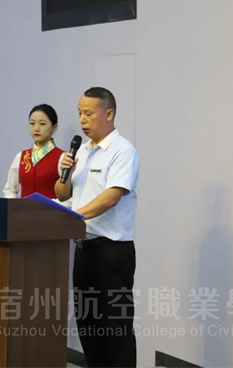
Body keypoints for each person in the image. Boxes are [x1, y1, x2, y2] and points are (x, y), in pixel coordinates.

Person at [55, 87, 140, 367]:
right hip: (84, 251)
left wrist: (73, 217)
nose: (82, 119)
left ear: (109, 113)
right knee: (88, 327)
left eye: (89, 113)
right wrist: (65, 173)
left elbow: (112, 196)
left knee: (115, 329)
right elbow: (62, 194)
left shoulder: (122, 151)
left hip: (112, 253)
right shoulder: (82, 151)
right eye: (79, 113)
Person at [3, 104, 64, 199]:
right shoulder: (21, 157)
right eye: (32, 123)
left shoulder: (62, 158)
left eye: (42, 124)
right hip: (22, 208)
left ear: (54, 127)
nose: (36, 128)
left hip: (51, 208)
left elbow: (68, 196)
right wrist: (16, 205)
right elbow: (9, 190)